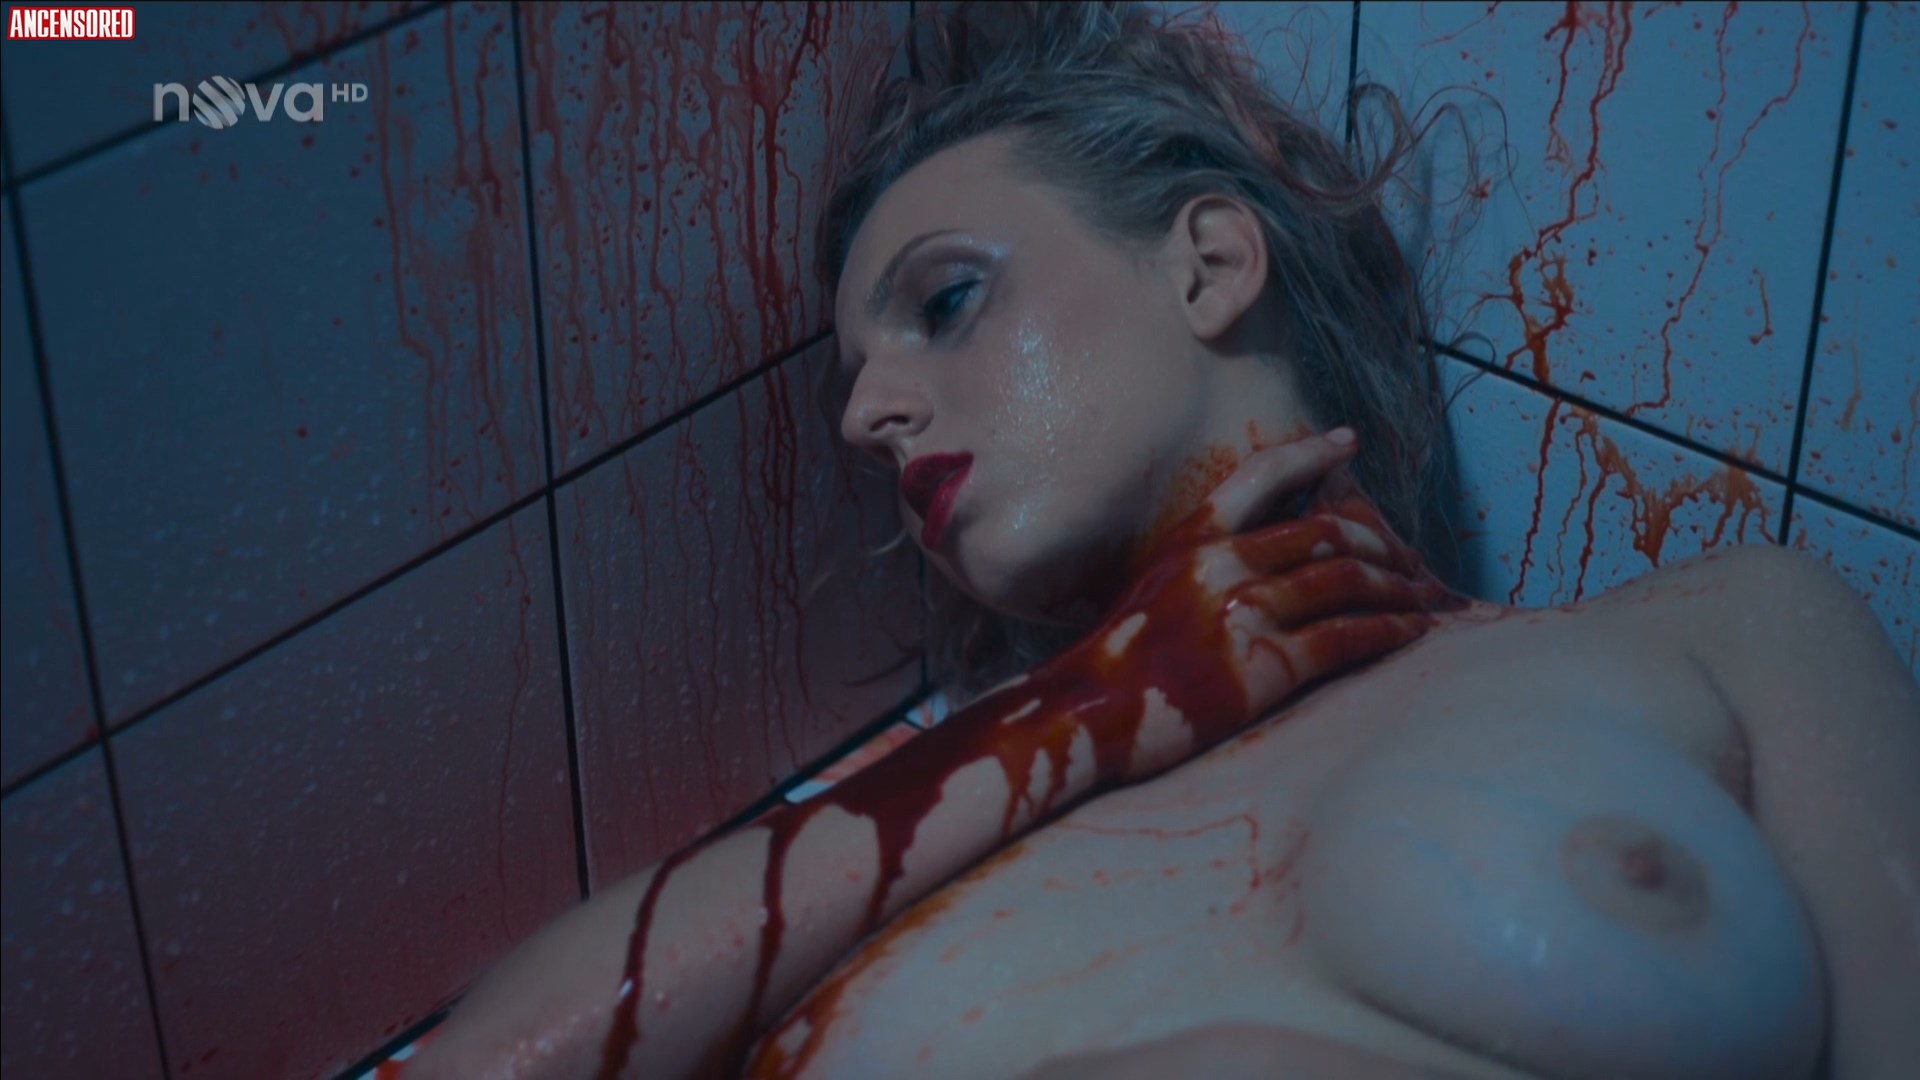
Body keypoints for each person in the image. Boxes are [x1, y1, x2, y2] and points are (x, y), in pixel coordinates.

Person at [403, 4, 1920, 1078]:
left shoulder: (1727, 630)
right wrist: (1093, 705)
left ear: (1208, 265)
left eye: (946, 302)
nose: (869, 414)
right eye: (856, 386)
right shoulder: (902, 831)